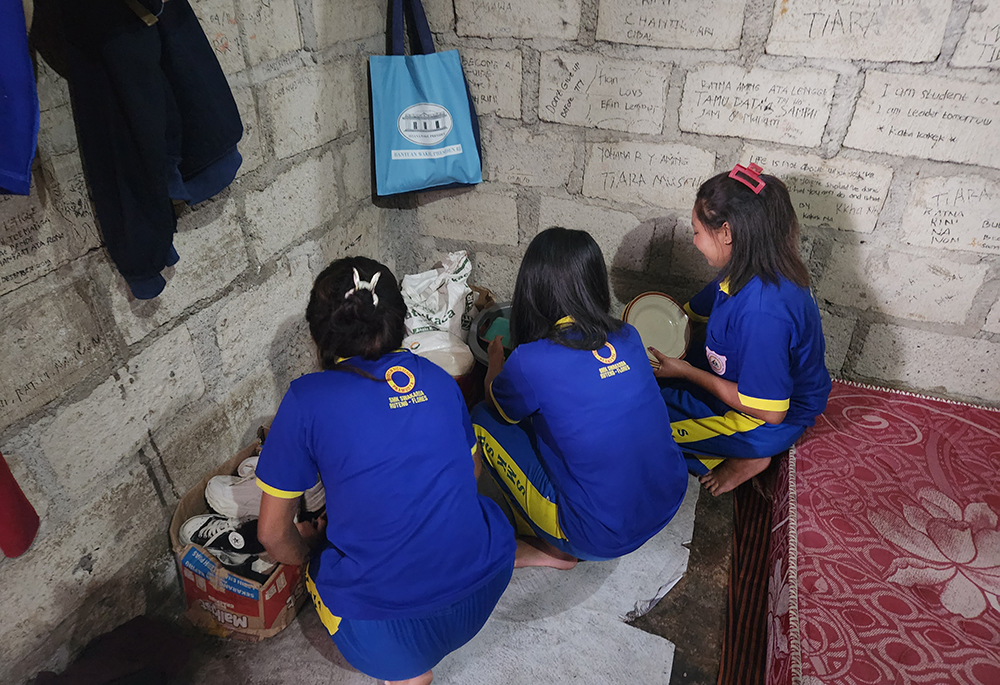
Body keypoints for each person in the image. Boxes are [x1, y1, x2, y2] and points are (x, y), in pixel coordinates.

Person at [254, 257, 515, 685]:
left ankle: (406, 673)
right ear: (401, 320)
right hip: (484, 588)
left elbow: (271, 534)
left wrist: (312, 551)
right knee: (480, 512)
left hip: (389, 634)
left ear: (320, 335)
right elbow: (469, 474)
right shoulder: (437, 379)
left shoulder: (306, 399)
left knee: (318, 564)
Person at [472, 227, 689, 570]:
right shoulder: (628, 335)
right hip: (667, 500)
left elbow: (498, 405)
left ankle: (555, 549)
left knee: (483, 418)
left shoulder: (531, 360)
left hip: (597, 537)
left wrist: (496, 363)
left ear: (533, 289)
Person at [650, 163, 832, 497]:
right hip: (734, 373)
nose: (694, 241)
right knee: (645, 382)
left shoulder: (765, 312)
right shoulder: (745, 266)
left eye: (697, 232)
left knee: (639, 423)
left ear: (726, 233)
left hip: (762, 418)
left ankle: (751, 454)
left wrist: (687, 372)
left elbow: (770, 411)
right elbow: (689, 317)